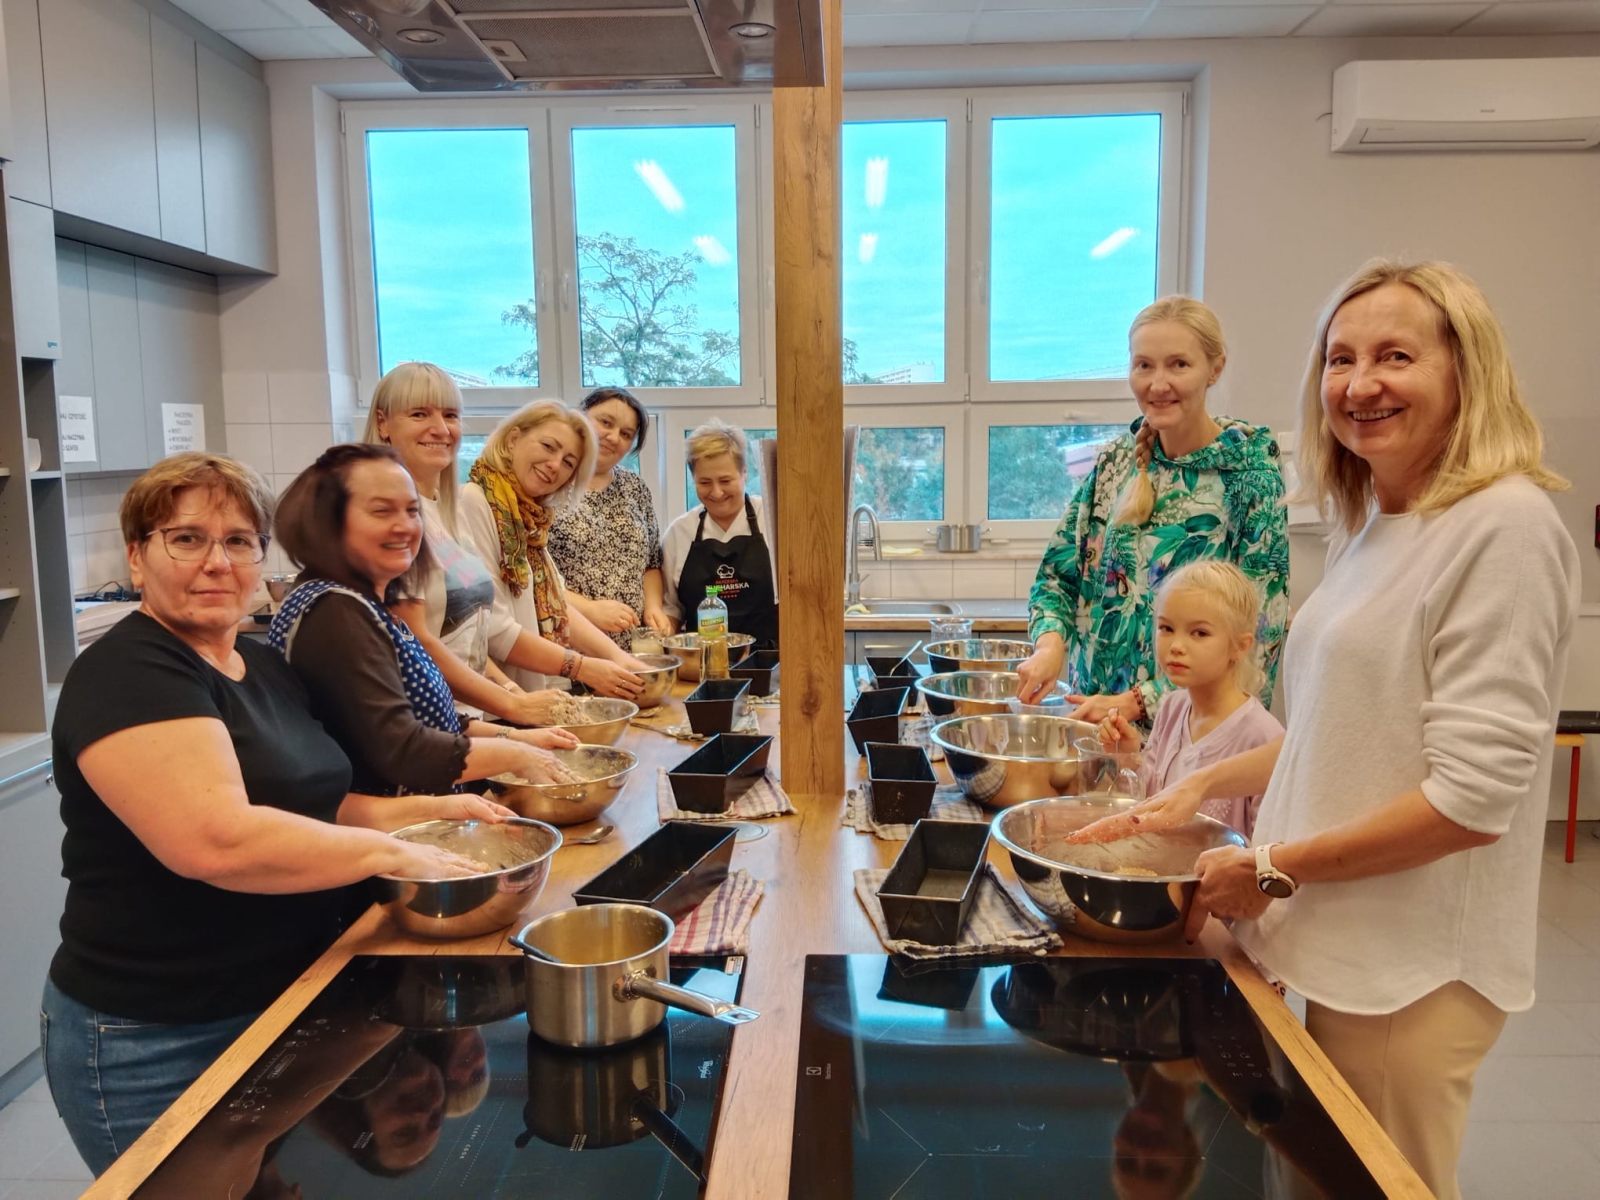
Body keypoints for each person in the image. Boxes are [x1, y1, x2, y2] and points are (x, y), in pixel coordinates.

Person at [1072, 260, 1579, 1200]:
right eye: (1340, 359)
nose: (1360, 383)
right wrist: (1197, 789)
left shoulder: (1502, 527)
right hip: (1340, 942)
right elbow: (1335, 738)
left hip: (1408, 968)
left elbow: (1471, 802)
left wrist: (1270, 868)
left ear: (1467, 369)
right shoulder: (1379, 523)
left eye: (1396, 356)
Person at [41, 453, 499, 1176]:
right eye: (186, 539)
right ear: (136, 556)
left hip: (281, 1001)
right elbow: (216, 841)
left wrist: (435, 812)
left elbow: (318, 804)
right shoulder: (131, 673)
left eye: (238, 541)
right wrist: (392, 854)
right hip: (156, 1033)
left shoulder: (259, 665)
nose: (217, 562)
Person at [1016, 297, 1289, 726]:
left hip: (1191, 738)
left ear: (1215, 368)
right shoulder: (1114, 464)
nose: (1158, 384)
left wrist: (1139, 702)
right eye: (1144, 365)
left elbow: (1259, 636)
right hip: (1096, 726)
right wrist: (1050, 646)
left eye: (1178, 364)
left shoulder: (1250, 478)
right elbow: (1056, 577)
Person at [269, 444, 577, 798]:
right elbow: (403, 750)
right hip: (389, 826)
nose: (404, 526)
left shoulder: (365, 603)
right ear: (328, 521)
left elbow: (430, 718)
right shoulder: (334, 612)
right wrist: (516, 755)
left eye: (412, 511)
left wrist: (518, 738)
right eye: (382, 511)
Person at [362, 362, 583, 723]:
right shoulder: (390, 521)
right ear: (383, 423)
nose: (440, 429)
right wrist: (512, 704)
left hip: (468, 718)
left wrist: (508, 691)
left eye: (450, 415)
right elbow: (418, 642)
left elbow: (475, 631)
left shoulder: (449, 512)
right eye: (419, 414)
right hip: (428, 726)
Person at [457, 402, 649, 696]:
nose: (555, 465)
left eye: (569, 462)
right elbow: (491, 625)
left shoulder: (529, 520)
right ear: (513, 439)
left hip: (529, 693)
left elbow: (558, 604)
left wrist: (619, 659)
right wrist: (582, 667)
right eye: (548, 447)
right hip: (495, 699)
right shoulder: (474, 501)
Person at [1096, 560, 1283, 838]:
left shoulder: (1263, 737)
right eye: (1166, 628)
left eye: (1199, 633)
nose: (1176, 646)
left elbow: (1269, 843)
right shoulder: (1172, 707)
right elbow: (1152, 803)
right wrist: (1129, 756)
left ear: (1240, 646)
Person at [548, 386, 672, 650]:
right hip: (567, 645)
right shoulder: (551, 481)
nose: (614, 437)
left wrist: (653, 607)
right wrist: (589, 609)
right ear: (580, 416)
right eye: (605, 422)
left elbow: (651, 564)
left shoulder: (635, 488)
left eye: (626, 434)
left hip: (632, 648)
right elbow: (533, 578)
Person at [660, 418, 778, 647]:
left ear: (744, 473)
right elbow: (672, 609)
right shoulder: (678, 533)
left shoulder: (772, 519)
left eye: (725, 480)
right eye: (704, 482)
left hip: (771, 659)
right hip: (701, 661)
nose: (716, 492)